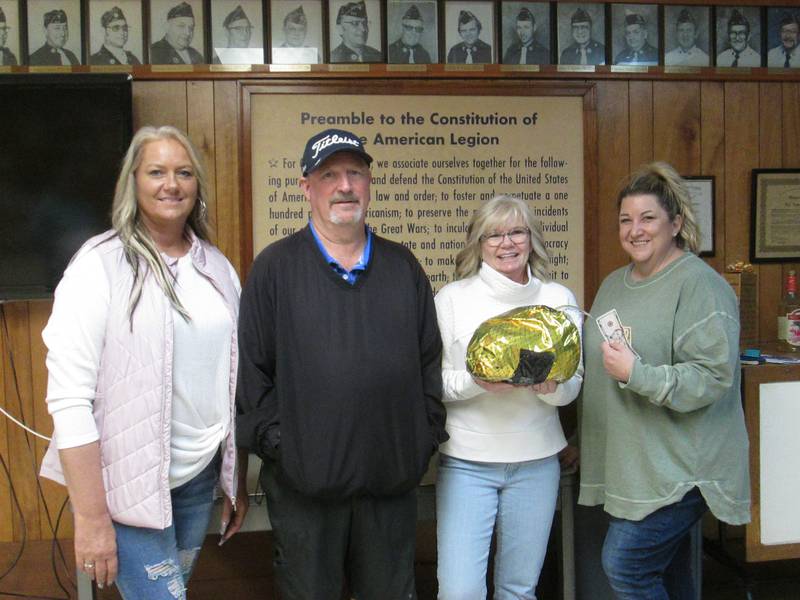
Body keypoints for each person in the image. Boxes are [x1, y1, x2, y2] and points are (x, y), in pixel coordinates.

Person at [236, 128, 447, 599]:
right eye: (329, 174)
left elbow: (428, 365)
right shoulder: (274, 269)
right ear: (306, 188)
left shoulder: (402, 267)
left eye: (355, 173)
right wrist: (288, 453)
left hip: (388, 490)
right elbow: (252, 377)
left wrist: (420, 441)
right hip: (305, 492)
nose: (345, 185)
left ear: (369, 183)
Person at [38, 125, 248, 597]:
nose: (171, 184)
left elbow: (231, 380)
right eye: (156, 171)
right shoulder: (98, 266)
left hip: (196, 481)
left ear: (197, 187)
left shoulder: (216, 267)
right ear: (133, 182)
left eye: (183, 172)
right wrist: (91, 518)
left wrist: (231, 479)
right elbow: (70, 400)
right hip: (125, 491)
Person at [578, 162, 751, 599]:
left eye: (647, 218)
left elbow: (711, 378)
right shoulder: (613, 285)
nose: (635, 230)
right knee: (672, 576)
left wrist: (638, 374)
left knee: (626, 567)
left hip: (678, 470)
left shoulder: (700, 286)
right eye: (625, 219)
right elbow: (600, 375)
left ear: (675, 223)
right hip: (633, 466)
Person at [434, 195, 583, 599]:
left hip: (536, 464)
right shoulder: (451, 299)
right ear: (478, 243)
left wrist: (550, 388)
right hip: (467, 464)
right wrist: (476, 381)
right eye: (494, 234)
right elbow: (434, 385)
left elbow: (573, 386)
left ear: (531, 239)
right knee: (459, 592)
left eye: (516, 231)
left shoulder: (558, 300)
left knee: (518, 590)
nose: (507, 243)